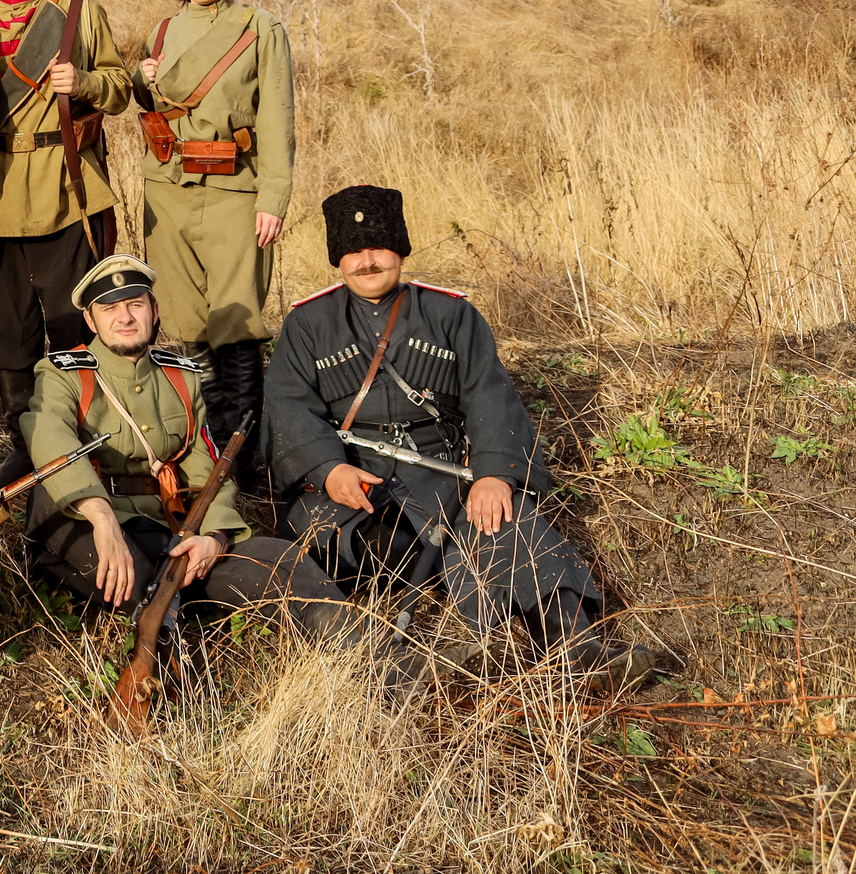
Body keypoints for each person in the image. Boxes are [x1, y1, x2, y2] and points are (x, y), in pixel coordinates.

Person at [266, 185, 670, 692]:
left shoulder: (452, 314)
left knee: (513, 524)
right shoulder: (306, 324)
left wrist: (495, 474)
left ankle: (575, 652)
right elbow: (287, 406)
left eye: (379, 248)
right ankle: (382, 665)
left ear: (401, 251)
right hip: (355, 485)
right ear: (337, 259)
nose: (367, 262)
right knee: (299, 550)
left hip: (443, 475)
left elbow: (488, 394)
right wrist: (329, 469)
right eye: (354, 251)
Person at [19, 255, 354, 642]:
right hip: (91, 530)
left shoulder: (180, 376)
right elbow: (49, 439)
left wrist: (214, 536)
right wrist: (102, 517)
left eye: (135, 305)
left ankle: (363, 647)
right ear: (91, 321)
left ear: (154, 311)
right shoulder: (63, 373)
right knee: (67, 512)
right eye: (110, 309)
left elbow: (208, 467)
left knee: (284, 560)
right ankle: (165, 633)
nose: (125, 317)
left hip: (170, 531)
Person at [0, 0, 135, 477]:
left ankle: (90, 439)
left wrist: (83, 80)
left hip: (69, 191)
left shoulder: (77, 14)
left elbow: (119, 89)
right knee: (8, 329)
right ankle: (25, 447)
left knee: (74, 321)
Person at [130, 0, 295, 456]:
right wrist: (142, 79)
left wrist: (272, 198)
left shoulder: (259, 26)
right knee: (185, 320)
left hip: (233, 187)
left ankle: (243, 454)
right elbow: (156, 107)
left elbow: (276, 118)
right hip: (168, 189)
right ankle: (207, 442)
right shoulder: (164, 30)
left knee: (237, 320)